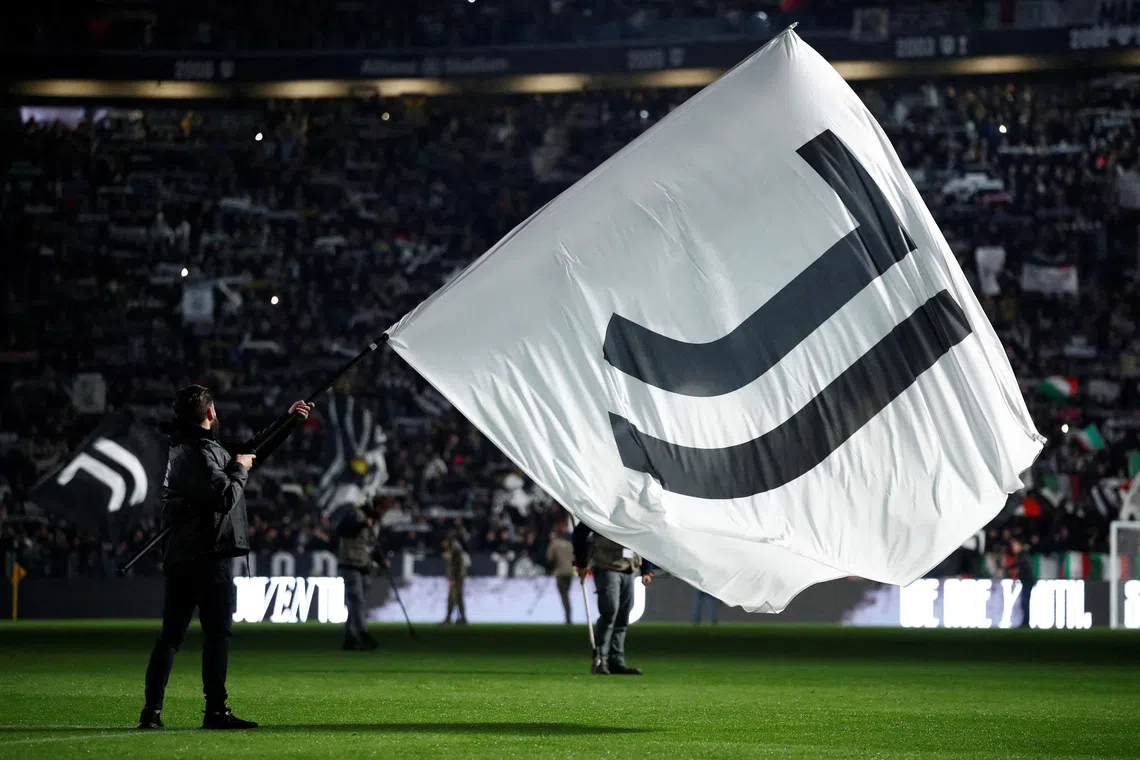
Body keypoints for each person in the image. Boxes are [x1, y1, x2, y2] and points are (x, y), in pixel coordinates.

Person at [138, 385, 312, 730]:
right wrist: (240, 469)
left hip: (182, 555)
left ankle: (152, 712)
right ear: (211, 413)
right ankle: (215, 711)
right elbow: (226, 495)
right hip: (207, 554)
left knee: (171, 635)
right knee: (217, 634)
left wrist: (288, 421)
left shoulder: (188, 446)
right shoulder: (200, 453)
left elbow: (252, 449)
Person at [572, 521, 653, 675]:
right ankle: (601, 659)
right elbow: (580, 535)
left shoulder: (636, 513)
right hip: (606, 566)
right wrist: (581, 563)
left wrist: (646, 569)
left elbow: (644, 539)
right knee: (610, 611)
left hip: (630, 567)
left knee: (623, 616)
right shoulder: (601, 508)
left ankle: (616, 660)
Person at [336, 499, 389, 650]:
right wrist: (363, 524)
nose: (383, 514)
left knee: (356, 603)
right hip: (349, 563)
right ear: (377, 507)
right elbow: (342, 530)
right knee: (357, 600)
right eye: (383, 510)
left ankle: (350, 636)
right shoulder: (356, 515)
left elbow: (372, 545)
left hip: (363, 565)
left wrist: (381, 560)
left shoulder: (373, 522)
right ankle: (363, 634)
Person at [546, 526, 575, 624]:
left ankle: (568, 617)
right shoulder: (569, 544)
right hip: (570, 572)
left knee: (564, 595)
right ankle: (568, 616)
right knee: (566, 594)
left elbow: (549, 559)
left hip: (560, 572)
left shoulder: (554, 545)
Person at [1009, 539, 1036, 629]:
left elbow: (1021, 564)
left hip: (1028, 582)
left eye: (1015, 545)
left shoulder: (1022, 555)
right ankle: (1025, 622)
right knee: (1024, 603)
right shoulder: (1022, 555)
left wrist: (1008, 567)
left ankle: (1026, 623)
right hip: (1026, 582)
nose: (1013, 548)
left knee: (1025, 603)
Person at [442, 532, 468, 625]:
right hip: (459, 577)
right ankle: (463, 618)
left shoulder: (454, 549)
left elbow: (456, 565)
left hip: (457, 578)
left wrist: (453, 578)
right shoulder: (455, 548)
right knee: (458, 597)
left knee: (452, 598)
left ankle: (448, 619)